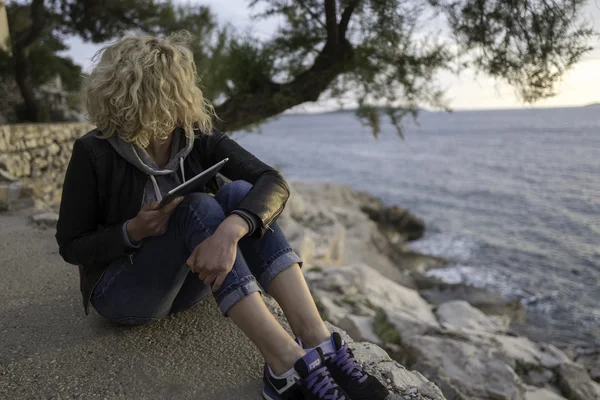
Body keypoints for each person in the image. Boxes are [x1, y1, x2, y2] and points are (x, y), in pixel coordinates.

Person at [55, 32, 388, 400]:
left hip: (190, 287)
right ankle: (284, 361)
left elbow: (272, 181)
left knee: (240, 194)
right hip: (123, 294)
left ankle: (318, 340)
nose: (172, 107)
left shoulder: (197, 136)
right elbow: (71, 246)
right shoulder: (93, 152)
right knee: (196, 207)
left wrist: (233, 228)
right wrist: (131, 230)